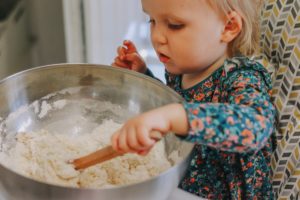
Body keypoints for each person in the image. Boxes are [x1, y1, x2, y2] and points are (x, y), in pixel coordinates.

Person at [111, 0, 276, 199]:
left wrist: (174, 116)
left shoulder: (240, 77)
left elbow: (255, 127)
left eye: (174, 25)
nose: (156, 37)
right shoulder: (182, 70)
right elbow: (172, 105)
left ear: (228, 27)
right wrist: (144, 76)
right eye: (152, 21)